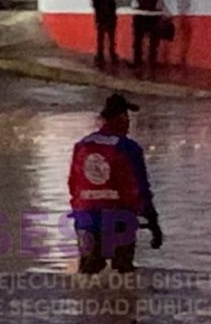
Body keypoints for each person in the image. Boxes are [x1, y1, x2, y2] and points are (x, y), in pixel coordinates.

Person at [69, 94, 163, 274]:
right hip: (120, 220)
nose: (128, 121)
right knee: (123, 275)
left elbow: (73, 185)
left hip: (86, 219)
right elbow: (141, 189)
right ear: (121, 118)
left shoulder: (81, 146)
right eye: (127, 116)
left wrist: (80, 215)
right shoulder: (129, 148)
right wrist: (153, 222)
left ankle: (83, 301)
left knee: (88, 276)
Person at [131, 0, 164, 71]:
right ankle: (152, 61)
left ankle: (137, 61)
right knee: (153, 41)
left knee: (138, 40)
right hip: (154, 15)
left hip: (140, 14)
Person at [91, 0, 119, 65]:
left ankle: (111, 54)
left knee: (111, 36)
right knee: (101, 36)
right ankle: (101, 54)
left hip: (109, 13)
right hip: (101, 14)